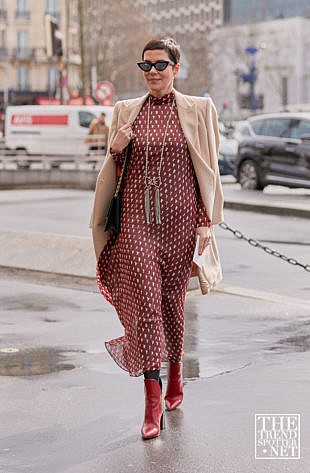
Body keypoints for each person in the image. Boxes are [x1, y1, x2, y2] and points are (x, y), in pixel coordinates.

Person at [90, 37, 224, 440]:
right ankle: (152, 399)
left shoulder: (199, 110)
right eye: (145, 66)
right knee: (146, 303)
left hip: (181, 221)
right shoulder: (125, 111)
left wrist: (205, 220)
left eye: (160, 65)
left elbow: (209, 170)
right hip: (135, 221)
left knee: (171, 302)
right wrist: (115, 149)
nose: (152, 73)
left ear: (175, 68)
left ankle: (177, 371)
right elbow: (114, 171)